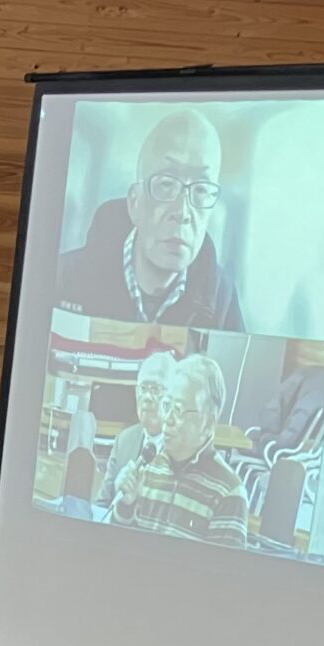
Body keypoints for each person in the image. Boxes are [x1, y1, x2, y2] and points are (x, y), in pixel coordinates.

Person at [56, 111, 245, 331]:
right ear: (135, 202)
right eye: (166, 184)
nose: (183, 211)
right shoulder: (65, 279)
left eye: (201, 189)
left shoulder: (222, 301)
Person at [107, 354, 251, 546]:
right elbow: (119, 550)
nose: (167, 419)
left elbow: (222, 574)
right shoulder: (148, 471)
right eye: (166, 406)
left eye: (179, 409)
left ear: (209, 421)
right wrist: (126, 505)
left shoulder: (228, 493)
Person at [94, 351, 177, 511]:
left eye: (155, 389)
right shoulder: (124, 440)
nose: (146, 397)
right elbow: (102, 505)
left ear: (173, 396)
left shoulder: (181, 450)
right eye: (143, 388)